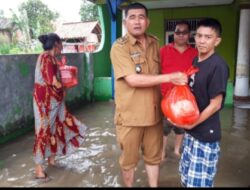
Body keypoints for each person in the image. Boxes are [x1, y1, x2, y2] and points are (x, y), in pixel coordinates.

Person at [110, 2, 187, 187]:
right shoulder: (119, 47)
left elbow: (158, 74)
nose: (137, 22)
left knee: (153, 159)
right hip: (130, 118)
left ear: (148, 21)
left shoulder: (154, 42)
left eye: (141, 17)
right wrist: (170, 77)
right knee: (129, 162)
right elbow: (133, 80)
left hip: (154, 116)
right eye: (132, 17)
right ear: (125, 22)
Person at [177, 18, 229, 187]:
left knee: (198, 184)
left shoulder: (218, 65)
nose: (201, 41)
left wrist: (192, 124)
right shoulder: (196, 61)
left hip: (205, 136)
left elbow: (215, 104)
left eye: (208, 37)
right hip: (191, 134)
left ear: (217, 41)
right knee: (186, 180)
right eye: (199, 35)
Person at [33, 33, 87, 180]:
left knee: (56, 128)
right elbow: (53, 81)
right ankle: (39, 170)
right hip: (45, 103)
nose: (61, 49)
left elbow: (56, 79)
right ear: (56, 44)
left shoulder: (52, 59)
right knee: (43, 132)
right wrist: (66, 84)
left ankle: (51, 160)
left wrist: (63, 83)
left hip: (55, 101)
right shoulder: (45, 58)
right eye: (61, 45)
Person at [160, 20, 198, 161]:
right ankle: (162, 152)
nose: (181, 35)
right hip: (165, 97)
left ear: (189, 35)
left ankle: (177, 150)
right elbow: (157, 73)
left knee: (181, 127)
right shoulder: (163, 51)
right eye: (178, 32)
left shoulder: (195, 53)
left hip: (186, 99)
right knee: (163, 129)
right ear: (173, 34)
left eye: (184, 32)